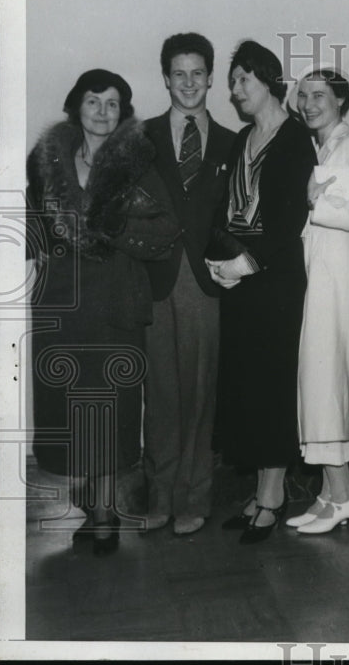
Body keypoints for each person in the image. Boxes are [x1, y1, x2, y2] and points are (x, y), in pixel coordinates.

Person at [28, 69, 180, 556]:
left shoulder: (138, 162)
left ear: (123, 113)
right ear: (77, 106)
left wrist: (109, 227)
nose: (101, 111)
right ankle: (90, 504)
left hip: (115, 298)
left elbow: (165, 232)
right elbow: (33, 225)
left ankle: (104, 514)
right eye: (93, 101)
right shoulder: (47, 158)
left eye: (112, 104)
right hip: (63, 301)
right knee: (71, 404)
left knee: (110, 405)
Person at [208, 40, 316, 544]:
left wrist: (246, 263)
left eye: (242, 81)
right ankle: (258, 490)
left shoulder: (295, 139)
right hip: (241, 281)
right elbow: (227, 210)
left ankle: (273, 495)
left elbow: (292, 218)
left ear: (269, 81)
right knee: (246, 385)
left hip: (275, 281)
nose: (234, 92)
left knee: (271, 384)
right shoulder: (242, 139)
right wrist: (223, 263)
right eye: (232, 83)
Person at [281, 68, 349, 534]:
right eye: (303, 96)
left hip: (337, 268)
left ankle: (345, 496)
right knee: (316, 376)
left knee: (327, 377)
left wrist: (315, 206)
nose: (308, 103)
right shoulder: (326, 144)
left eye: (319, 95)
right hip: (321, 264)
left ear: (341, 100)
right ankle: (328, 494)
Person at [143, 33, 238, 537]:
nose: (188, 83)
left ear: (210, 77)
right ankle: (159, 496)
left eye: (197, 73)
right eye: (178, 73)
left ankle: (193, 498)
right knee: (160, 393)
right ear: (165, 77)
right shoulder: (140, 137)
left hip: (205, 281)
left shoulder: (231, 141)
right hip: (156, 280)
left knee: (201, 391)